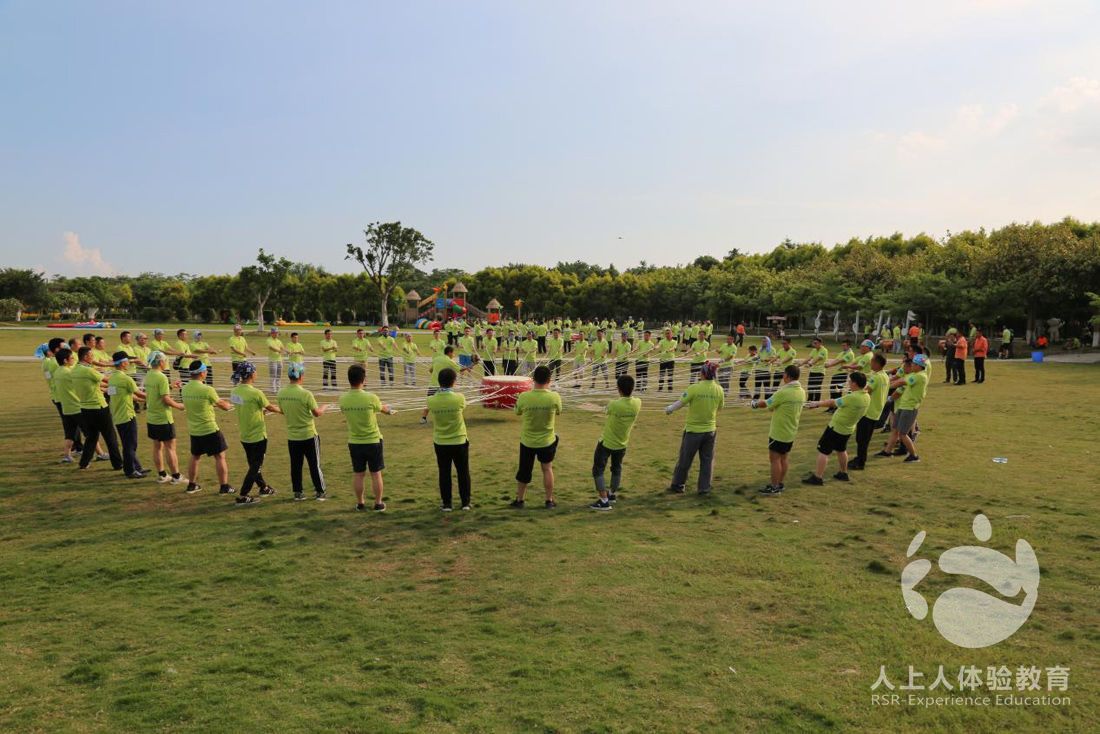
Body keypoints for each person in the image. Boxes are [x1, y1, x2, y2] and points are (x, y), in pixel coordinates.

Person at [665, 361, 725, 495]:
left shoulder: (694, 388)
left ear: (703, 373)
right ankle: (704, 488)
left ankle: (678, 485)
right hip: (710, 431)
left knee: (685, 459)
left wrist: (669, 409)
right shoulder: (719, 389)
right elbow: (720, 407)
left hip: (693, 431)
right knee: (707, 461)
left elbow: (680, 403)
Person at [340, 363, 393, 511]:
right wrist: (389, 410)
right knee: (376, 474)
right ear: (363, 379)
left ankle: (360, 503)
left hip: (355, 442)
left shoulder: (343, 399)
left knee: (358, 474)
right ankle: (378, 503)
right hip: (373, 441)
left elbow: (345, 412)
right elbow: (383, 409)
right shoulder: (371, 397)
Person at [802, 371, 870, 485]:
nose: (848, 383)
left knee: (824, 451)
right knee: (841, 450)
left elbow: (833, 402)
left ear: (854, 383)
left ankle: (818, 477)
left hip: (836, 427)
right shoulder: (866, 396)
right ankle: (843, 473)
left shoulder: (852, 397)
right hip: (848, 428)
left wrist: (817, 404)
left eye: (850, 381)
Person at [510, 365, 562, 509]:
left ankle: (520, 500)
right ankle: (549, 500)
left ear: (533, 379)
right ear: (549, 380)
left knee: (524, 471)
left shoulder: (524, 396)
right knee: (547, 468)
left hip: (528, 441)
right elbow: (559, 411)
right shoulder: (554, 397)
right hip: (547, 441)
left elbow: (517, 412)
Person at [230, 362, 282, 504]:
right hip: (257, 435)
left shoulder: (234, 391)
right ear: (251, 374)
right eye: (255, 371)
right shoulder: (256, 393)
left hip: (245, 435)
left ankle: (263, 487)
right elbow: (270, 407)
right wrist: (284, 411)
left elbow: (247, 407)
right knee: (255, 466)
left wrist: (259, 411)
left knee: (254, 464)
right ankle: (243, 495)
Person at [278, 363, 330, 501]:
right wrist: (324, 407)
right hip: (308, 435)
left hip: (293, 436)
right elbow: (317, 413)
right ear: (301, 376)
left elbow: (282, 410)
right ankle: (320, 491)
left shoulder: (281, 393)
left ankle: (298, 492)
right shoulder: (306, 394)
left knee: (296, 465)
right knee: (314, 465)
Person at [182, 360, 234, 495]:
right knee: (220, 456)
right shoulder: (207, 389)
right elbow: (223, 406)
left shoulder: (185, 388)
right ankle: (224, 486)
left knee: (195, 456)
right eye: (205, 371)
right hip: (209, 429)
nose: (206, 373)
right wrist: (229, 405)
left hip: (194, 430)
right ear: (201, 373)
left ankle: (191, 485)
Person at [590, 374, 641, 511]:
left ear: (618, 389)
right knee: (616, 468)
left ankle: (604, 500)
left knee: (598, 470)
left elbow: (607, 410)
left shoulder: (614, 404)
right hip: (622, 443)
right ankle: (611, 494)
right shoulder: (638, 403)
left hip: (606, 443)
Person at [752, 364, 804, 496]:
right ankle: (779, 483)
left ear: (788, 376)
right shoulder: (801, 391)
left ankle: (774, 487)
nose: (783, 376)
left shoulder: (784, 392)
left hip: (779, 431)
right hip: (791, 431)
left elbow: (766, 403)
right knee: (784, 458)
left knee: (775, 459)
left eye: (784, 374)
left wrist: (755, 404)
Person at [427, 367, 471, 511]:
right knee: (463, 472)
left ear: (439, 382)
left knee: (444, 472)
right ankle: (465, 503)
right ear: (454, 381)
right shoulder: (459, 398)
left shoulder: (431, 400)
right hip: (459, 441)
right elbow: (463, 407)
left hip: (441, 442)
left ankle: (447, 503)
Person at [73, 347, 123, 472]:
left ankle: (84, 463)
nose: (93, 358)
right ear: (85, 357)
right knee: (110, 436)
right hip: (99, 407)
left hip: (85, 408)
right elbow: (107, 380)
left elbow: (95, 383)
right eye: (91, 355)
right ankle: (117, 464)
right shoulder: (88, 370)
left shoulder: (75, 370)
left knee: (91, 437)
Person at [878, 354, 929, 462]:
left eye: (913, 364)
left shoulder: (920, 376)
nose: (911, 366)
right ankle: (887, 452)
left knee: (902, 434)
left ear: (918, 366)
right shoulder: (915, 374)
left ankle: (914, 456)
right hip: (903, 406)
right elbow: (900, 381)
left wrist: (884, 385)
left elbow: (901, 382)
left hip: (909, 408)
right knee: (895, 430)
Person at [144, 351, 184, 483]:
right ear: (161, 362)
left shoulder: (149, 374)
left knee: (157, 446)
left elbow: (155, 392)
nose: (166, 362)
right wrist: (179, 405)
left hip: (152, 417)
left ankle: (162, 474)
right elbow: (166, 399)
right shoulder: (161, 377)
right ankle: (176, 476)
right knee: (170, 447)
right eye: (165, 360)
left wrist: (171, 386)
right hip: (163, 417)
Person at [108, 351, 148, 478]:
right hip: (127, 415)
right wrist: (157, 396)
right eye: (127, 361)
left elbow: (125, 395)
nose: (129, 363)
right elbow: (139, 393)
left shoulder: (112, 378)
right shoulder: (126, 379)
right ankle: (130, 471)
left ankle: (137, 467)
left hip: (118, 415)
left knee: (128, 444)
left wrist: (140, 399)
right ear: (122, 363)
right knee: (130, 445)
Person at [849, 354, 889, 471]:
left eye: (872, 361)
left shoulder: (876, 377)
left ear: (877, 363)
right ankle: (859, 458)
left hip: (868, 412)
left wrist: (854, 390)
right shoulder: (884, 375)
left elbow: (866, 391)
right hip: (876, 411)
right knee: (864, 439)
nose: (870, 363)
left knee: (862, 439)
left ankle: (860, 462)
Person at [53, 347, 93, 462]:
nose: (73, 360)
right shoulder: (69, 372)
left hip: (66, 407)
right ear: (65, 360)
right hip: (76, 406)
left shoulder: (57, 372)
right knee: (90, 433)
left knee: (70, 434)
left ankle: (67, 456)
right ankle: (100, 454)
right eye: (71, 358)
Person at [421, 345, 466, 423]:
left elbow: (430, 370)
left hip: (432, 384)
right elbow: (460, 369)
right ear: (449, 353)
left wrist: (435, 375)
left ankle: (423, 418)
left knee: (429, 403)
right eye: (453, 353)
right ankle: (448, 418)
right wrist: (472, 364)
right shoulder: (449, 361)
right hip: (443, 385)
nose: (454, 355)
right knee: (447, 401)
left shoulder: (436, 359)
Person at [802, 336, 828, 402]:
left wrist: (810, 364)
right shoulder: (814, 350)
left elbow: (817, 359)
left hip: (820, 372)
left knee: (817, 387)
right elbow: (808, 358)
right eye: (813, 343)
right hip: (812, 371)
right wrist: (800, 364)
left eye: (816, 343)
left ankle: (816, 402)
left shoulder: (824, 350)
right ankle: (809, 401)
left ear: (820, 343)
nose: (814, 344)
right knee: (810, 386)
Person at [266, 327, 288, 392]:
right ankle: (273, 389)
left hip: (279, 360)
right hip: (272, 360)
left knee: (279, 375)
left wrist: (288, 351)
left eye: (277, 333)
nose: (276, 334)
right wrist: (279, 351)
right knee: (273, 375)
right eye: (275, 333)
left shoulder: (279, 341)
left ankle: (278, 388)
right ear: (271, 333)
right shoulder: (269, 340)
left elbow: (283, 348)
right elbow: (271, 347)